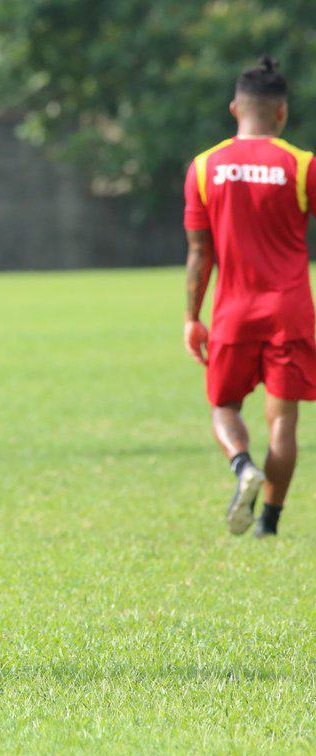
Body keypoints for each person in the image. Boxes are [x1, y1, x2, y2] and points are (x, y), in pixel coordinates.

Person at [183, 56, 316, 538]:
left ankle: (242, 466)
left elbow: (200, 255)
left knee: (224, 407)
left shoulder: (204, 168)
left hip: (232, 311)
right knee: (283, 423)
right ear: (281, 113)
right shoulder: (303, 166)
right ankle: (269, 524)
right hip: (290, 311)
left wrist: (191, 317)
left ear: (235, 108)